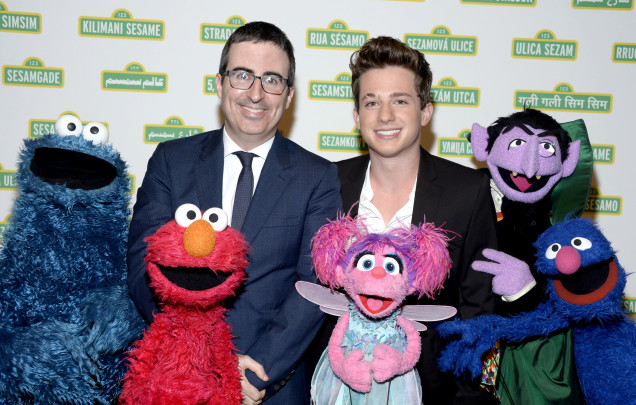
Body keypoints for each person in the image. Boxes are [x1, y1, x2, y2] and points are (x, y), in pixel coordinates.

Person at [127, 21, 341, 405]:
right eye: (243, 76)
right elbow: (144, 266)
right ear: (220, 82)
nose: (256, 94)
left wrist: (259, 369)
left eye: (272, 79)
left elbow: (315, 287)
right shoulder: (171, 161)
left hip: (267, 383)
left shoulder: (318, 177)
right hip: (179, 377)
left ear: (289, 95)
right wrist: (206, 361)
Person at [334, 36, 500, 404]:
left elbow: (479, 313)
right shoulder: (327, 184)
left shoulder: (468, 192)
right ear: (357, 115)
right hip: (335, 388)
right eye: (371, 102)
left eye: (400, 100)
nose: (385, 115)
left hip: (433, 392)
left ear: (426, 111)